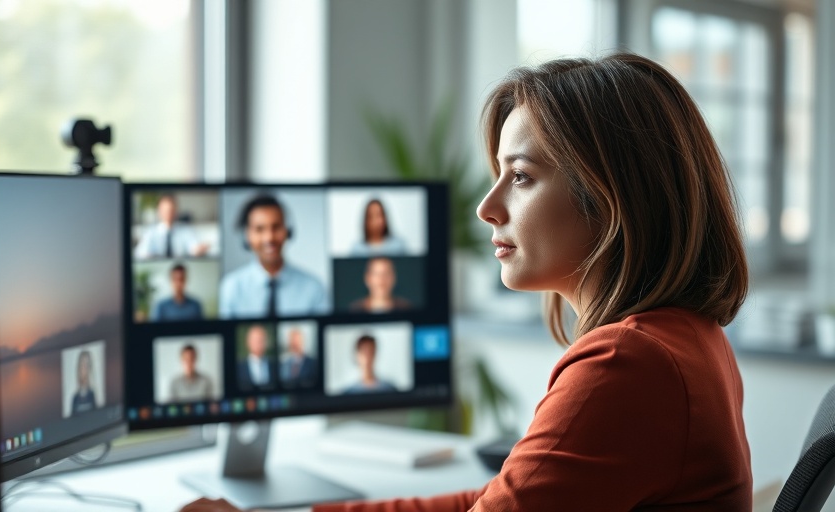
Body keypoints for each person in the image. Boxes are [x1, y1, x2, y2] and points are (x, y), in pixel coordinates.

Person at [180, 52, 753, 511]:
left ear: (610, 197)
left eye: (522, 176)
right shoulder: (687, 337)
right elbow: (495, 498)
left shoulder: (629, 364)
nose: (486, 207)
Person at [219, 194, 329, 318]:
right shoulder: (231, 288)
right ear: (247, 236)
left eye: (276, 227)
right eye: (259, 229)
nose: (269, 238)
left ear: (288, 231)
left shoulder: (313, 288)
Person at [133, 194, 210, 259]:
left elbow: (194, 247)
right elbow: (140, 253)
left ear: (176, 211)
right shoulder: (150, 233)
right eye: (165, 210)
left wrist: (199, 249)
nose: (168, 214)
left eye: (171, 210)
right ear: (159, 211)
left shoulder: (186, 230)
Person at [236, 324, 277, 390]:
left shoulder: (275, 365)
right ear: (248, 342)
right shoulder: (238, 367)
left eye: (261, 340)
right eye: (256, 340)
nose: (259, 343)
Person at [70, 350, 97, 416]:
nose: (85, 369)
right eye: (83, 365)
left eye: (87, 365)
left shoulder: (92, 395)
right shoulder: (75, 398)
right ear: (79, 368)